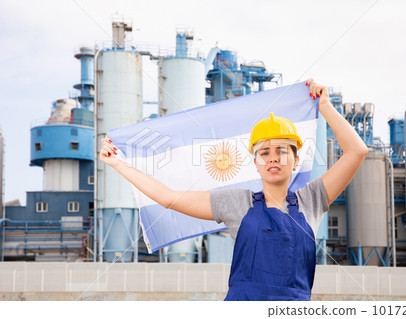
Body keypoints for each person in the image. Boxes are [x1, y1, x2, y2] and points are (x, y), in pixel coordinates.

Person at [99, 78, 368, 301]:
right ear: (255, 163)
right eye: (264, 152)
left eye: (281, 151)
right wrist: (118, 164)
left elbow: (357, 151)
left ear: (296, 159)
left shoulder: (312, 198)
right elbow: (169, 198)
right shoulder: (236, 203)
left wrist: (325, 106)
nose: (272, 158)